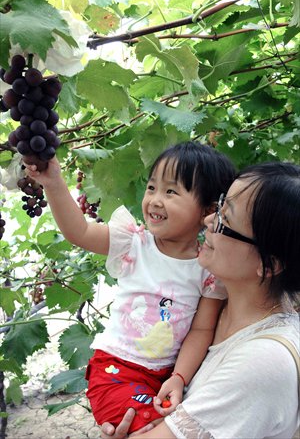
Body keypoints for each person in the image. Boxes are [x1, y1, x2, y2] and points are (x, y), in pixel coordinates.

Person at [24, 141, 236, 433]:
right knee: (156, 429)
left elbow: (202, 330)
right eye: (152, 188)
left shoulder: (208, 270)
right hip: (115, 371)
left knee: (172, 425)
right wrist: (54, 183)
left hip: (164, 377)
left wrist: (179, 378)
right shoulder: (134, 243)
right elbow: (80, 231)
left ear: (208, 210)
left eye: (171, 191)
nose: (155, 200)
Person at [100, 161, 300, 439]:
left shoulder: (262, 362)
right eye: (219, 206)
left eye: (225, 220)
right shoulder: (206, 310)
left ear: (268, 265)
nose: (208, 221)